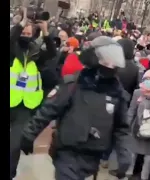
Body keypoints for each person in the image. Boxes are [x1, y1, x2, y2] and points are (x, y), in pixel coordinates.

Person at [20, 36, 131, 180]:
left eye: (112, 62)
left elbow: (122, 128)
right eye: (106, 60)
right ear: (94, 58)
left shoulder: (117, 93)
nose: (110, 66)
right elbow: (49, 110)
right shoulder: (73, 85)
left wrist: (124, 156)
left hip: (93, 157)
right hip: (68, 153)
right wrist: (29, 134)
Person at [9, 2, 56, 179]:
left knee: (14, 144)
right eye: (23, 33)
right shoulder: (12, 51)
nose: (26, 35)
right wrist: (22, 22)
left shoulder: (36, 54)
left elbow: (52, 52)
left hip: (25, 107)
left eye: (29, 33)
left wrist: (45, 31)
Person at [126, 68, 150, 180]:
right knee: (133, 152)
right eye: (146, 79)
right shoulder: (138, 92)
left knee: (149, 156)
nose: (148, 82)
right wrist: (127, 125)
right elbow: (131, 110)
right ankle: (128, 172)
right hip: (137, 127)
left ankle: (144, 176)